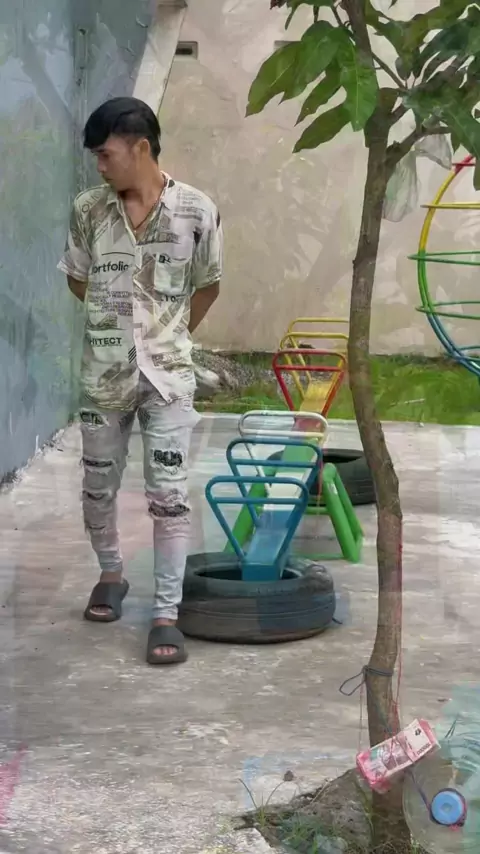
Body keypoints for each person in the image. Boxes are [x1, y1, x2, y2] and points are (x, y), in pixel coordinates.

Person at [57, 97, 223, 666]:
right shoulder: (88, 210)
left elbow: (208, 285)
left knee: (169, 497)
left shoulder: (196, 211)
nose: (99, 166)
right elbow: (78, 278)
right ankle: (111, 574)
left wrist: (165, 334)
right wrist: (116, 322)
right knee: (97, 486)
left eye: (106, 155)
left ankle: (166, 614)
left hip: (169, 380)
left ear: (141, 147)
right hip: (103, 377)